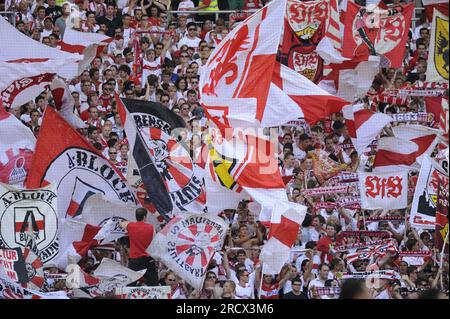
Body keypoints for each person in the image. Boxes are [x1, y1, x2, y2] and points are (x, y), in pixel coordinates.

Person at [119, 208, 158, 286]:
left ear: (136, 216)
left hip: (134, 260)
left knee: (130, 284)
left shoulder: (130, 226)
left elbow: (121, 224)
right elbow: (155, 242)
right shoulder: (151, 227)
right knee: (153, 284)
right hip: (148, 259)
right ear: (144, 217)